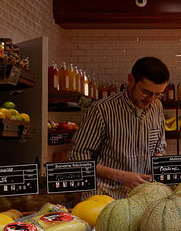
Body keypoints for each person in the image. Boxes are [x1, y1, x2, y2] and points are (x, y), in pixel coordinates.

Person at [68, 56, 170, 199]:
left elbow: (159, 147)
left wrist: (157, 169)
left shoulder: (157, 107)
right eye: (146, 92)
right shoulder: (101, 110)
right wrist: (121, 176)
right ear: (131, 80)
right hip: (106, 198)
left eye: (158, 95)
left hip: (142, 198)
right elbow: (78, 158)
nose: (151, 100)